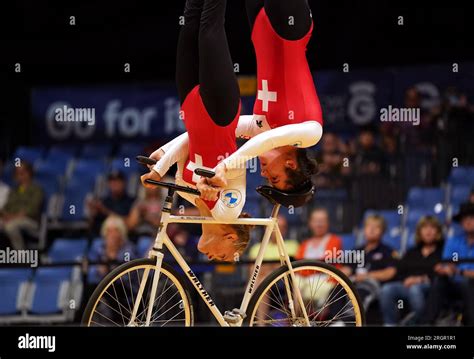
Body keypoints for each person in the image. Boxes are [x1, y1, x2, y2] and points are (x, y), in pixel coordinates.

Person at [155, 0, 324, 197]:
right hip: (290, 29)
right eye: (274, 178)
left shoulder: (261, 130)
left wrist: (164, 155)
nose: (263, 173)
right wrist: (225, 166)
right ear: (291, 164)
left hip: (260, 24)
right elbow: (267, 141)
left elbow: (205, 132)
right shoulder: (311, 134)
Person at [141, 0, 251, 262]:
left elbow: (189, 143)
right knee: (208, 28)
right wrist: (212, 185)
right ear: (231, 238)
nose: (215, 259)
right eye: (224, 256)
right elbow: (230, 169)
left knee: (190, 19)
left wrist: (160, 167)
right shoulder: (229, 211)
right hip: (220, 111)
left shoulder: (184, 194)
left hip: (191, 105)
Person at [379, 216, 443, 325]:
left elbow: (443, 273)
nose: (428, 231)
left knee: (415, 289)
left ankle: (419, 322)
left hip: (430, 287)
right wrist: (406, 279)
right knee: (387, 289)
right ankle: (390, 324)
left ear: (438, 232)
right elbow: (399, 270)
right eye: (424, 228)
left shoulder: (443, 251)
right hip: (408, 285)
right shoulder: (412, 252)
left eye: (432, 228)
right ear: (419, 232)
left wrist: (420, 279)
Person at [423, 202, 474, 325]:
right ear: (461, 222)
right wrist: (444, 269)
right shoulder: (453, 241)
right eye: (465, 219)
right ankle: (427, 323)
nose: (468, 222)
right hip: (453, 283)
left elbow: (459, 270)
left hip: (470, 283)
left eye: (472, 218)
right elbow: (447, 264)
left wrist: (460, 271)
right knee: (439, 280)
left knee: (467, 282)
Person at [346, 214, 398, 310]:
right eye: (369, 226)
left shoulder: (388, 251)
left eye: (376, 227)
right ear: (364, 230)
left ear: (382, 231)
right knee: (336, 290)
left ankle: (350, 322)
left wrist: (366, 276)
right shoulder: (356, 251)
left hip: (373, 284)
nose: (372, 230)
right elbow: (347, 269)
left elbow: (390, 273)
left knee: (360, 292)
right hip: (353, 282)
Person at [0, 162, 43, 249]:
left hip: (29, 220)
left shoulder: (36, 190)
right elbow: (6, 207)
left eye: (22, 173)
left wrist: (14, 217)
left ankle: (20, 254)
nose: (20, 176)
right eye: (17, 174)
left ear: (29, 173)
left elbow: (32, 209)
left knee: (10, 227)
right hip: (11, 218)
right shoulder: (14, 190)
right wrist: (5, 215)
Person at [88, 215, 136, 283]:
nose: (112, 234)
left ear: (121, 232)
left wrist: (113, 268)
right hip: (98, 286)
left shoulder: (128, 249)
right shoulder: (97, 246)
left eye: (116, 230)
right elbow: (90, 273)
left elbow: (129, 276)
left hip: (122, 289)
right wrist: (98, 270)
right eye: (109, 231)